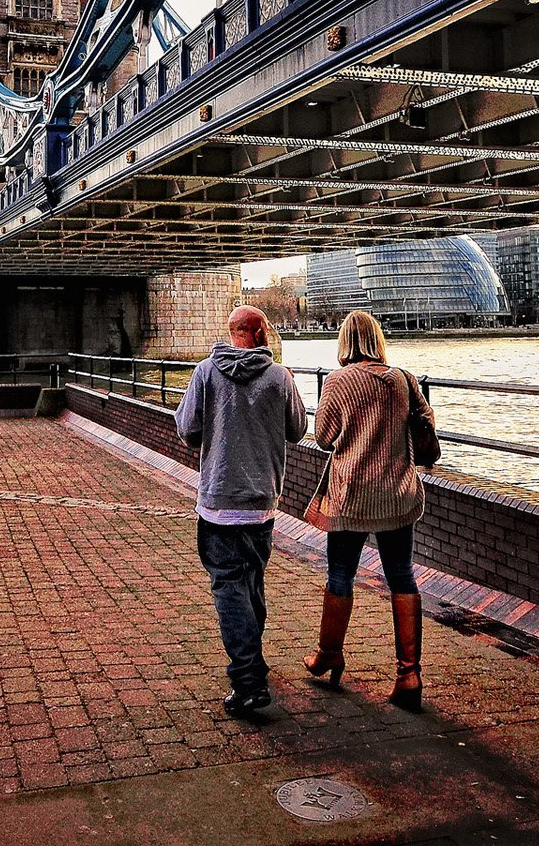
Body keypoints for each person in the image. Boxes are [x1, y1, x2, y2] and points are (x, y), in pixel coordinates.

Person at [173, 305, 308, 717]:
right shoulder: (279, 377)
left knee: (229, 588)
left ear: (232, 332)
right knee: (250, 583)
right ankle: (253, 663)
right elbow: (298, 430)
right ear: (260, 332)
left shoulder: (205, 373)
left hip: (218, 502)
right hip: (262, 504)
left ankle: (248, 681)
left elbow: (187, 430)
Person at [302, 310, 439, 711]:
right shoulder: (403, 379)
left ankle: (329, 654)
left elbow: (324, 437)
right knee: (401, 576)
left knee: (340, 573)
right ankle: (408, 674)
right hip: (398, 494)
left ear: (344, 342)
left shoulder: (337, 381)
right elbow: (427, 424)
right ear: (378, 340)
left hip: (352, 496)